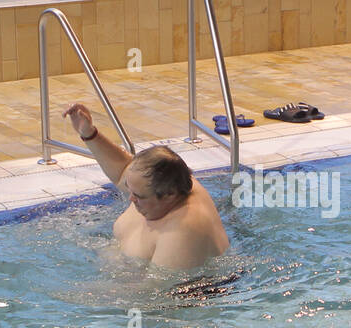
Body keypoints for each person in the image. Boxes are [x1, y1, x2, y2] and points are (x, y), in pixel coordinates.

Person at [63, 103, 230, 269]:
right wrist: (89, 134)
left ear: (169, 195)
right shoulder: (165, 181)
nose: (130, 197)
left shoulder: (183, 230)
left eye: (139, 196)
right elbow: (123, 171)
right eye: (130, 189)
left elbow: (155, 290)